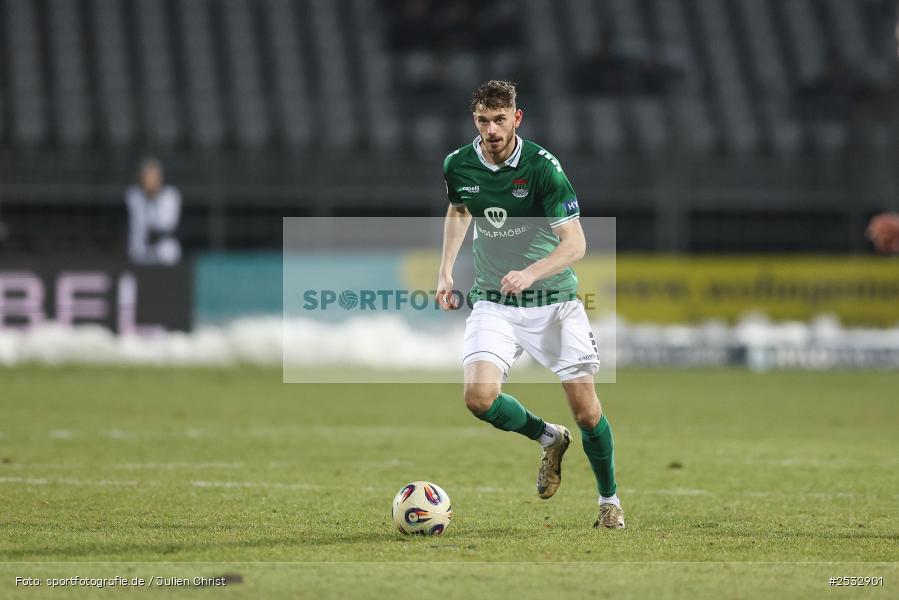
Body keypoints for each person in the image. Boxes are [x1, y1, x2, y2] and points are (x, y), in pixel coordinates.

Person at [436, 80, 624, 529]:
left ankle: (609, 501)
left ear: (516, 118)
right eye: (483, 120)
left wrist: (532, 272)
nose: (492, 129)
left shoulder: (542, 168)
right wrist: (445, 271)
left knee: (587, 411)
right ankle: (548, 438)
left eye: (500, 119)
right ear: (474, 120)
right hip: (494, 301)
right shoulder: (458, 165)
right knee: (479, 398)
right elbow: (461, 209)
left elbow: (575, 242)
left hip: (554, 301)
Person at [125, 158, 182, 266]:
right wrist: (148, 196)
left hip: (165, 253)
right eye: (147, 176)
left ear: (160, 177)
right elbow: (140, 222)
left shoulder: (170, 195)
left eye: (154, 176)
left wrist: (154, 197)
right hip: (139, 253)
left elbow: (166, 223)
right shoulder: (134, 196)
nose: (151, 180)